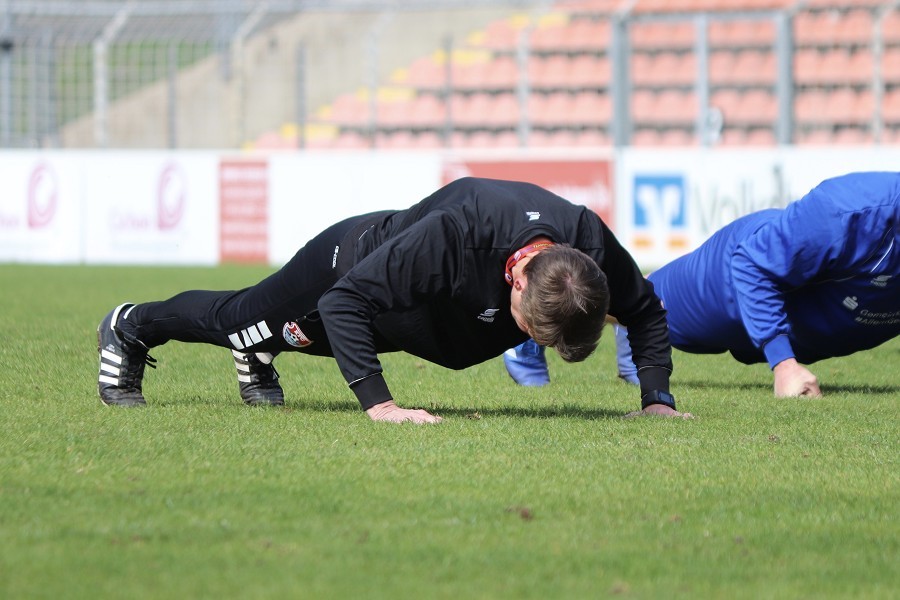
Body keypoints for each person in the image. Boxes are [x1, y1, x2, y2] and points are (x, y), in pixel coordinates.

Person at [96, 177, 685, 423]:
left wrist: (656, 397)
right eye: (532, 330)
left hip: (419, 313)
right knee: (239, 320)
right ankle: (132, 325)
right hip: (350, 271)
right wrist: (381, 406)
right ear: (519, 277)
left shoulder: (586, 248)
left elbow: (646, 309)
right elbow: (345, 303)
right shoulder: (455, 236)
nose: (533, 343)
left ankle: (264, 349)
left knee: (287, 335)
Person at [505, 171, 900, 397]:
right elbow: (752, 264)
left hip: (820, 312)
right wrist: (785, 364)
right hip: (733, 280)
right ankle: (536, 314)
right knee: (648, 305)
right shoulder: (847, 210)